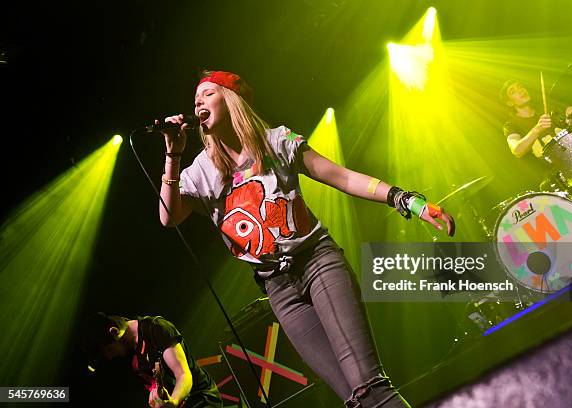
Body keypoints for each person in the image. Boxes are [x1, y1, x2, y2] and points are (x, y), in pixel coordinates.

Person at [157, 70, 455, 407]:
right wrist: (173, 155)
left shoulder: (277, 141)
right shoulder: (198, 171)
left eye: (208, 94)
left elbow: (341, 176)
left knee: (369, 387)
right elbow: (169, 217)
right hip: (279, 290)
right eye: (196, 99)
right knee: (354, 400)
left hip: (317, 262)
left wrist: (407, 200)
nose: (198, 102)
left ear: (232, 100)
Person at [81, 313, 222, 408]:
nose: (110, 357)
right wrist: (155, 394)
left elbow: (184, 375)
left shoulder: (156, 329)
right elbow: (155, 383)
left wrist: (172, 402)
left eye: (109, 350)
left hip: (201, 400)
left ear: (114, 331)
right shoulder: (131, 355)